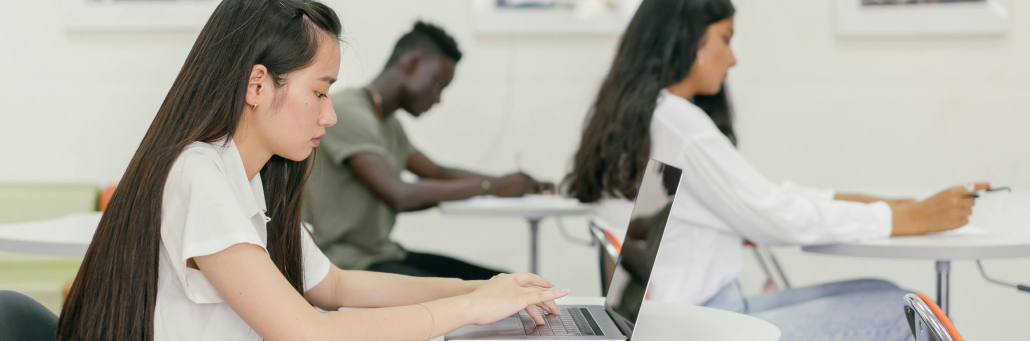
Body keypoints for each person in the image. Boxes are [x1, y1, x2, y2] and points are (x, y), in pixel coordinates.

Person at [55, 1, 567, 340]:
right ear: (256, 86)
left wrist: (480, 288)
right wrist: (470, 309)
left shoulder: (249, 179)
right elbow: (306, 331)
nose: (330, 113)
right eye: (319, 91)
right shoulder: (197, 174)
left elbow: (336, 286)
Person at [564, 0, 988, 340]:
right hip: (701, 323)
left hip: (669, 317)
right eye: (725, 39)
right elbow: (774, 217)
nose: (732, 60)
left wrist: (889, 206)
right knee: (905, 314)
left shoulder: (644, 118)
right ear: (686, 41)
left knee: (885, 292)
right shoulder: (681, 127)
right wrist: (901, 218)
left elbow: (761, 201)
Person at [304, 21, 553, 280]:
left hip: (383, 254)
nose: (438, 98)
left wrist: (508, 183)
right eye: (438, 83)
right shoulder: (347, 111)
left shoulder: (389, 124)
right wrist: (492, 187)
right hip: (346, 264)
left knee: (509, 281)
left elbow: (436, 172)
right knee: (497, 291)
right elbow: (400, 195)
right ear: (411, 64)